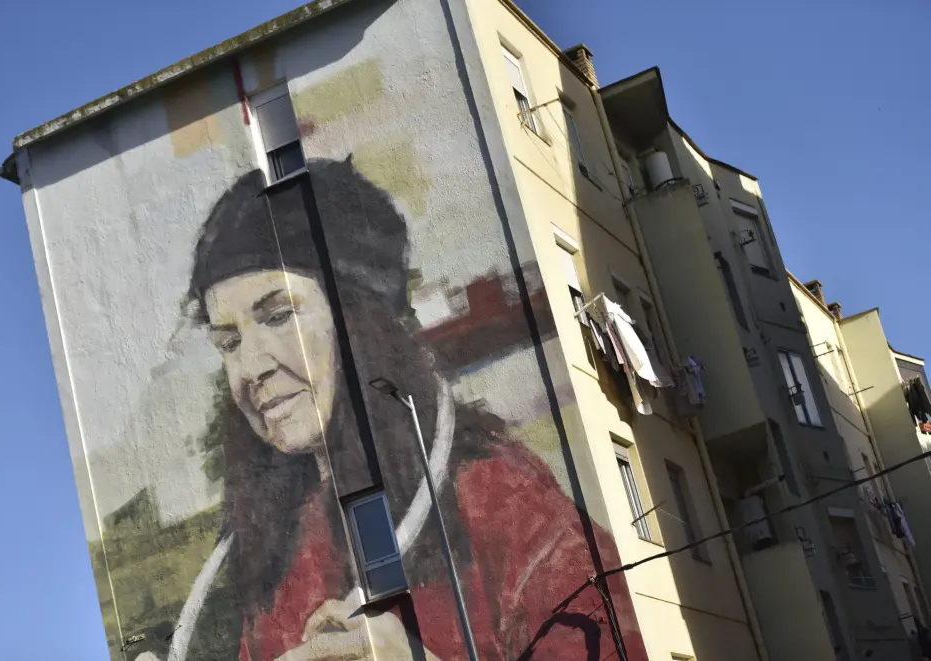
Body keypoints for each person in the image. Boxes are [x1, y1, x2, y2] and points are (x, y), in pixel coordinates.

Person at [144, 158, 647, 661]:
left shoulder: (510, 513)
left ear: (361, 321)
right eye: (229, 342)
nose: (249, 368)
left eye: (279, 316)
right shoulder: (280, 550)